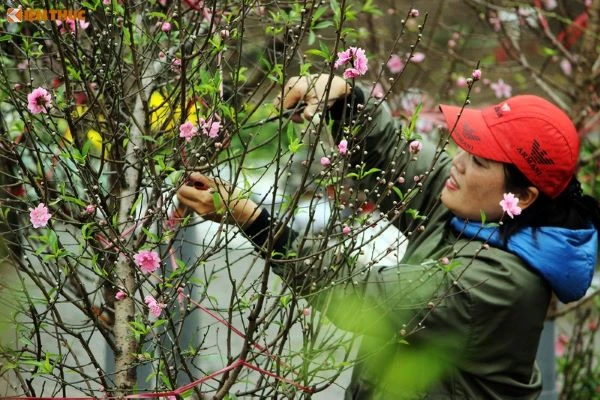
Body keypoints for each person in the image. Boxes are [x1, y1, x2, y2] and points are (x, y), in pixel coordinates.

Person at [176, 74, 600, 399]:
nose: (458, 163)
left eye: (479, 162)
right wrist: (343, 99)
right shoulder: (479, 212)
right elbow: (394, 157)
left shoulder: (498, 284)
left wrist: (254, 221)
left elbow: (359, 293)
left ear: (522, 196)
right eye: (466, 148)